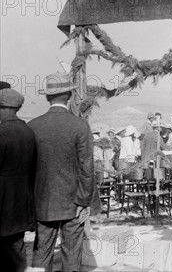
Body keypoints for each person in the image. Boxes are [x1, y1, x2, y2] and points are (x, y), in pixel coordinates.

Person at [28, 73, 95, 272]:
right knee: (72, 253)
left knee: (42, 251)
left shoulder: (33, 126)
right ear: (70, 96)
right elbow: (87, 168)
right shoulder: (80, 126)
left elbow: (28, 170)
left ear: (47, 97)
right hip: (73, 202)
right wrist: (83, 202)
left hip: (43, 201)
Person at [0, 88, 36, 272]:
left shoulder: (2, 132)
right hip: (22, 203)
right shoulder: (28, 131)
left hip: (3, 203)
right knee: (17, 249)